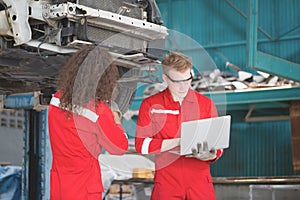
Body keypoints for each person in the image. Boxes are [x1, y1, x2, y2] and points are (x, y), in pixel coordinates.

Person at [135, 52, 223, 200]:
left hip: (199, 180)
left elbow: (218, 146)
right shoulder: (150, 105)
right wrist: (178, 142)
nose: (183, 86)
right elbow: (141, 145)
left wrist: (211, 154)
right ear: (165, 79)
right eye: (177, 81)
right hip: (167, 180)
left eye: (187, 79)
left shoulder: (205, 104)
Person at [48, 46, 128, 200]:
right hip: (85, 188)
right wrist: (116, 121)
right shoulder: (99, 111)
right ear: (104, 78)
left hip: (59, 184)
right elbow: (120, 147)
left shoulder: (57, 99)